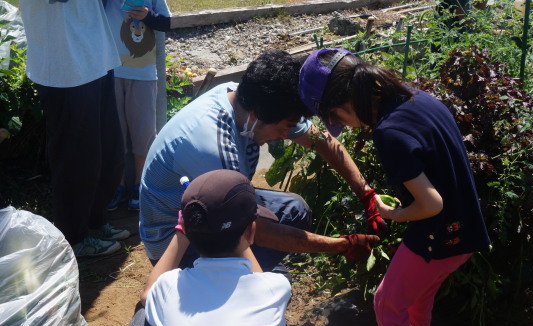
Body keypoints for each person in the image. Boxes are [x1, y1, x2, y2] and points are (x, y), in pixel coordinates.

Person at [299, 48, 491, 326]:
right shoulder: (417, 97)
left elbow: (431, 203)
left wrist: (393, 213)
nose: (345, 126)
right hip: (464, 228)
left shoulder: (389, 132)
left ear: (343, 104)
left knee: (387, 304)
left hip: (437, 236)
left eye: (336, 118)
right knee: (417, 301)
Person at [139, 49, 383, 273]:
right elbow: (257, 229)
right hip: (175, 242)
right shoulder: (212, 146)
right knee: (272, 282)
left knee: (295, 210)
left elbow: (322, 141)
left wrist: (367, 195)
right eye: (284, 127)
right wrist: (341, 246)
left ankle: (248, 270)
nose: (286, 135)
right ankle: (215, 283)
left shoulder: (247, 99)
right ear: (256, 115)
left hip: (210, 211)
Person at [126, 169, 290, 326]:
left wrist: (183, 233)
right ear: (251, 231)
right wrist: (240, 234)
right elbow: (258, 279)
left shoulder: (170, 287)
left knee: (142, 317)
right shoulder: (275, 288)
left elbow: (147, 295)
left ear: (187, 230)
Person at [19, 0, 130, 257]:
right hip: (65, 67)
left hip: (95, 55)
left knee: (110, 151)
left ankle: (95, 222)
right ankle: (74, 236)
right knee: (76, 160)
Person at [104, 0, 172, 212]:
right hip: (109, 70)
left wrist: (147, 15)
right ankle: (118, 185)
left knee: (143, 134)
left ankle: (139, 185)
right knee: (115, 133)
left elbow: (166, 22)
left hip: (143, 74)